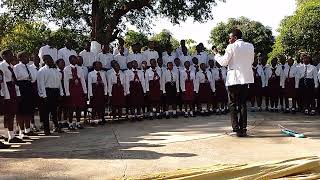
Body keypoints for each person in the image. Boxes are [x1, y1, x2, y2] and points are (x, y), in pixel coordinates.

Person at [215, 29, 255, 137]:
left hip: (234, 79)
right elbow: (251, 61)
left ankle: (236, 129)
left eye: (230, 37)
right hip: (245, 79)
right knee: (242, 104)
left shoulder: (231, 46)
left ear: (235, 38)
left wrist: (217, 55)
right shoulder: (250, 46)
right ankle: (243, 128)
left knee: (232, 104)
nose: (229, 40)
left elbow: (223, 62)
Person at [0, 49, 24, 143]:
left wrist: (17, 93)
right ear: (4, 56)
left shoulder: (11, 66)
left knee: (12, 113)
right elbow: (3, 83)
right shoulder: (2, 66)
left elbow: (14, 80)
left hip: (12, 90)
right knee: (7, 114)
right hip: (6, 92)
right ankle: (8, 135)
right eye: (9, 55)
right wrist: (4, 95)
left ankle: (11, 135)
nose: (12, 56)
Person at [37, 55, 64, 135]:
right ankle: (46, 129)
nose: (51, 61)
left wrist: (61, 93)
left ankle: (56, 127)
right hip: (47, 92)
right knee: (46, 112)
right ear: (44, 61)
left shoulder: (55, 70)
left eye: (51, 59)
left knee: (54, 111)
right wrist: (44, 96)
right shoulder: (42, 71)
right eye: (49, 60)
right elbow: (41, 84)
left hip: (55, 92)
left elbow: (59, 82)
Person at [14, 51, 38, 140]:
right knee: (21, 111)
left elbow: (34, 78)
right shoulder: (16, 67)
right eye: (25, 57)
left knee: (29, 110)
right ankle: (21, 131)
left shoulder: (30, 67)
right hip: (21, 88)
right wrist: (18, 93)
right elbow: (15, 80)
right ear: (19, 58)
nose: (27, 58)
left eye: (28, 57)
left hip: (29, 87)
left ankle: (28, 129)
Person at [64, 55, 87, 130]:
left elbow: (82, 80)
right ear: (70, 60)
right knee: (71, 107)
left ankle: (78, 122)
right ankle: (70, 123)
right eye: (74, 59)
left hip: (79, 89)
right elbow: (66, 82)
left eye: (76, 59)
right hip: (71, 89)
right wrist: (67, 92)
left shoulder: (79, 68)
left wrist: (85, 91)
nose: (76, 60)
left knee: (79, 107)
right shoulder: (66, 69)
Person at [56, 59, 69, 128]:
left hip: (66, 90)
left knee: (65, 106)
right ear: (57, 64)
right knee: (59, 107)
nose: (63, 64)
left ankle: (65, 121)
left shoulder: (66, 72)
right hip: (59, 91)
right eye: (61, 63)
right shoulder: (56, 72)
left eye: (64, 63)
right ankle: (59, 121)